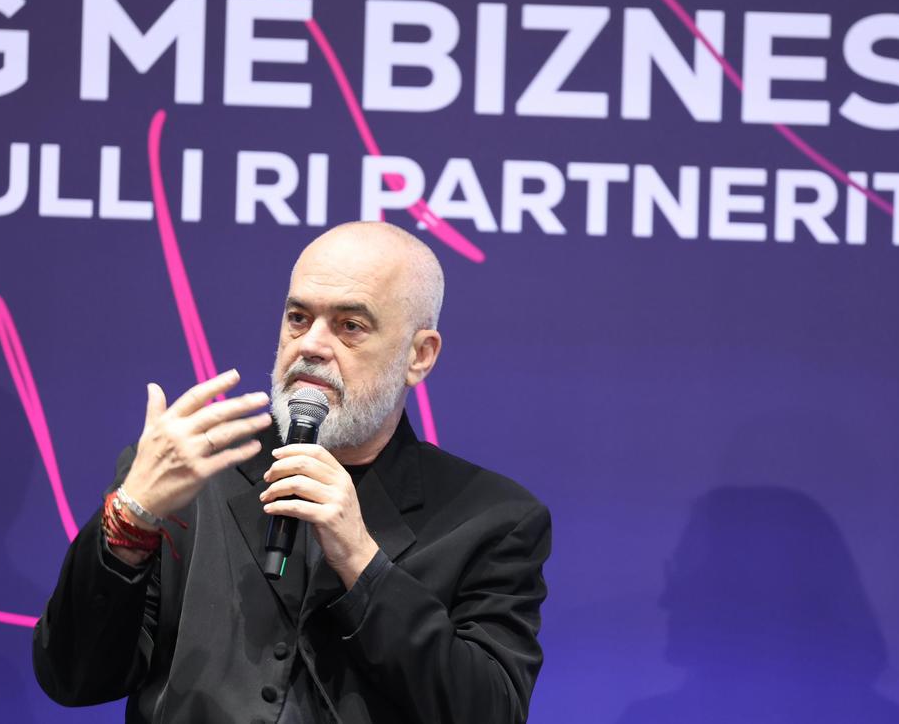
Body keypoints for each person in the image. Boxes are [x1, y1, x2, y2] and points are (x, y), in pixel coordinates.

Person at [32, 221, 551, 723]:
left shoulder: (492, 518)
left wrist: (363, 564)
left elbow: (490, 711)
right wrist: (130, 521)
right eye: (299, 318)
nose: (311, 346)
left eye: (350, 326)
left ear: (419, 355)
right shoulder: (189, 476)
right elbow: (73, 678)